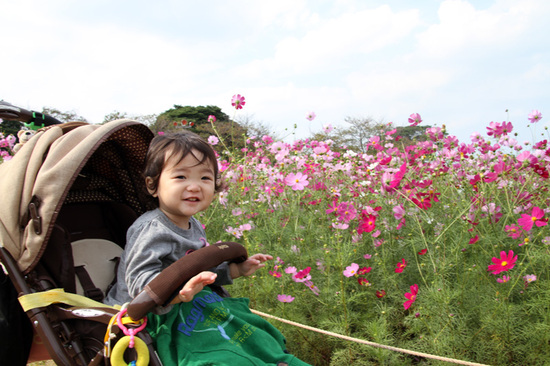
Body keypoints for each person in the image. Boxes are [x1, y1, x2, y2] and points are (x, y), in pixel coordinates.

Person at [105, 131, 310, 365]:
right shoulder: (152, 229)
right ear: (153, 186)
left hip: (190, 303)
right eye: (181, 177)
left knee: (256, 334)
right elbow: (138, 282)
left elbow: (200, 268)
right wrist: (177, 293)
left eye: (204, 178)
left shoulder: (193, 225)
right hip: (150, 315)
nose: (194, 187)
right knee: (221, 354)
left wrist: (235, 270)